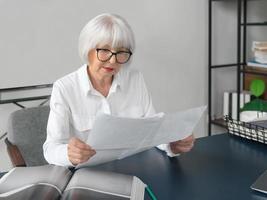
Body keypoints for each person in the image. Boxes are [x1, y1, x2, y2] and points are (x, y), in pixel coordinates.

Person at [43, 13, 195, 166]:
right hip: (87, 174)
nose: (113, 60)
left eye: (121, 52)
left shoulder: (135, 80)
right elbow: (51, 148)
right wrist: (69, 154)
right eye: (104, 50)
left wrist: (171, 145)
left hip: (134, 167)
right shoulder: (64, 88)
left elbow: (151, 130)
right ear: (87, 49)